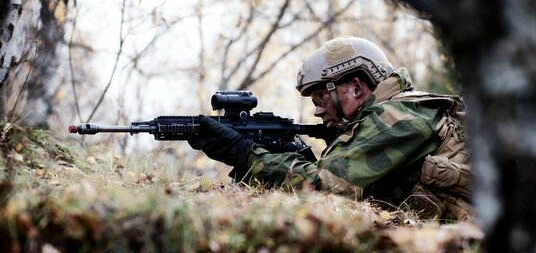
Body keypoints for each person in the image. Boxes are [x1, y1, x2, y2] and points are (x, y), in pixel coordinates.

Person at [189, 36, 472, 220]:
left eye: (321, 98)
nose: (317, 109)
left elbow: (326, 187)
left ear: (356, 88)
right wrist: (289, 156)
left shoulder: (397, 116)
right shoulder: (395, 112)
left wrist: (245, 154)